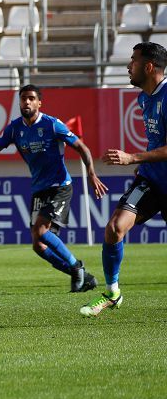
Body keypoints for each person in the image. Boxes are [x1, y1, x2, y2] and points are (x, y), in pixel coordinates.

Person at [0, 85, 106, 293]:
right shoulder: (15, 128)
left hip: (60, 186)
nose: (27, 102)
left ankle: (77, 266)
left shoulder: (52, 125)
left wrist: (91, 174)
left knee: (41, 230)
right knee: (38, 245)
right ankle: (84, 277)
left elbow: (82, 148)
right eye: (23, 98)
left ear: (39, 103)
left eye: (31, 98)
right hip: (39, 189)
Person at [83, 41, 167, 316]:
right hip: (152, 180)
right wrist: (142, 165)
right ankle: (112, 292)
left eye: (134, 60)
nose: (128, 66)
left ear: (149, 66)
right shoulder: (144, 97)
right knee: (114, 228)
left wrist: (134, 158)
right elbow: (158, 141)